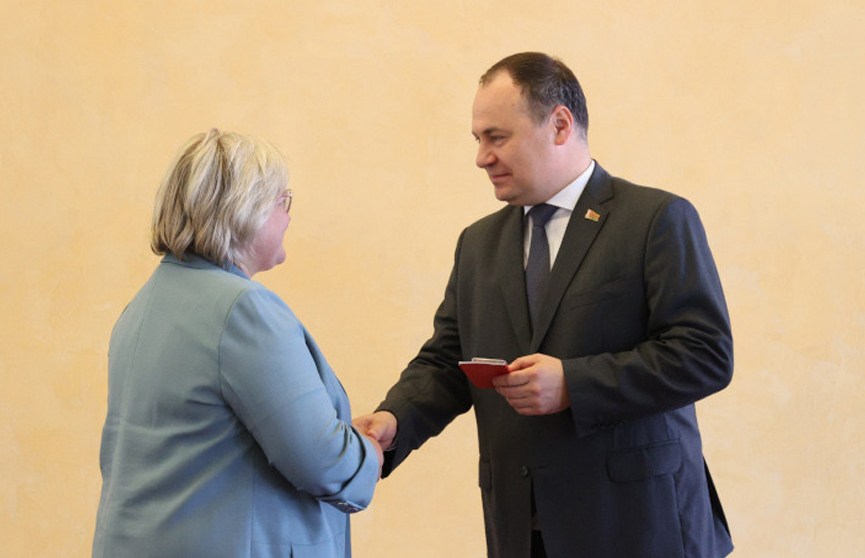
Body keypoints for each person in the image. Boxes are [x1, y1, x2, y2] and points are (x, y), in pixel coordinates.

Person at [354, 52, 734, 558]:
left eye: (497, 137)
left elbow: (704, 354)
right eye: (477, 139)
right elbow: (447, 361)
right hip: (521, 530)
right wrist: (395, 419)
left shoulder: (655, 219)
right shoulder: (478, 244)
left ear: (559, 125)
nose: (482, 157)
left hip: (639, 526)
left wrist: (574, 384)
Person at [93, 129, 382, 558]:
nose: (288, 217)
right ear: (244, 209)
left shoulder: (144, 304)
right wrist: (368, 454)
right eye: (282, 201)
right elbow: (321, 461)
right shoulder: (242, 311)